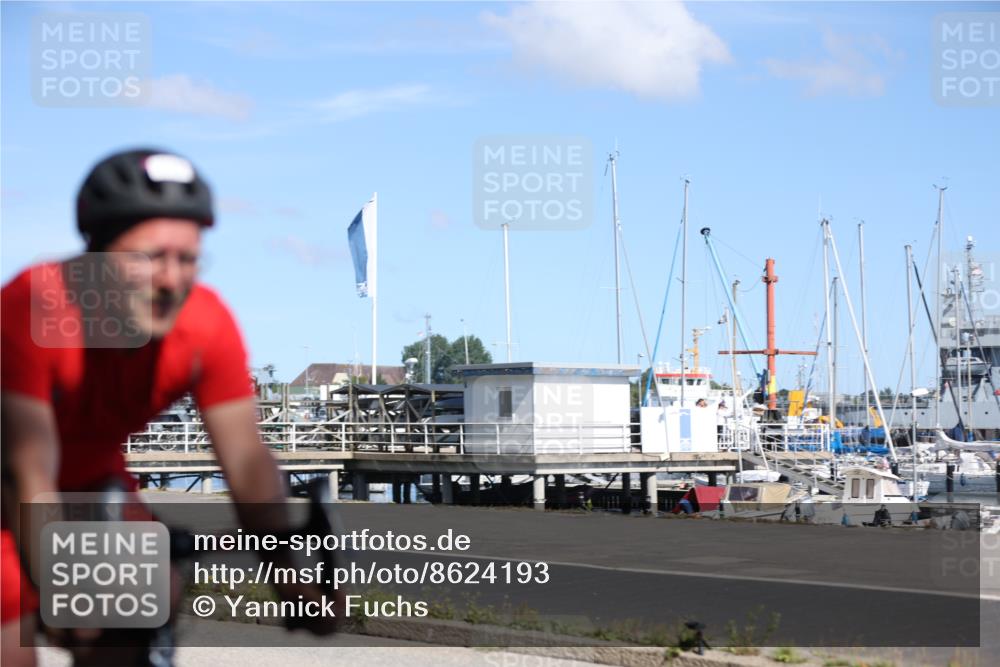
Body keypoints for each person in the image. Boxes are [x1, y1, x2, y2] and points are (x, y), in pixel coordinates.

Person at [1, 149, 336, 666]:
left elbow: (246, 463)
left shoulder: (204, 325)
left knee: (146, 599)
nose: (171, 280)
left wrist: (290, 577)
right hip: (13, 484)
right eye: (151, 257)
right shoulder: (34, 306)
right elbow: (26, 466)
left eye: (187, 259)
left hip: (92, 483)